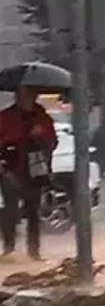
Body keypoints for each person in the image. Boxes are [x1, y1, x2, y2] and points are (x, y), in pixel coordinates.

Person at [0, 86, 58, 259]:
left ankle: (34, 250)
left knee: (33, 211)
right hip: (10, 169)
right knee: (9, 211)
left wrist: (39, 136)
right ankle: (9, 248)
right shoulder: (5, 117)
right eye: (20, 95)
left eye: (27, 95)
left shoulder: (43, 118)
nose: (23, 99)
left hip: (34, 171)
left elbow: (52, 142)